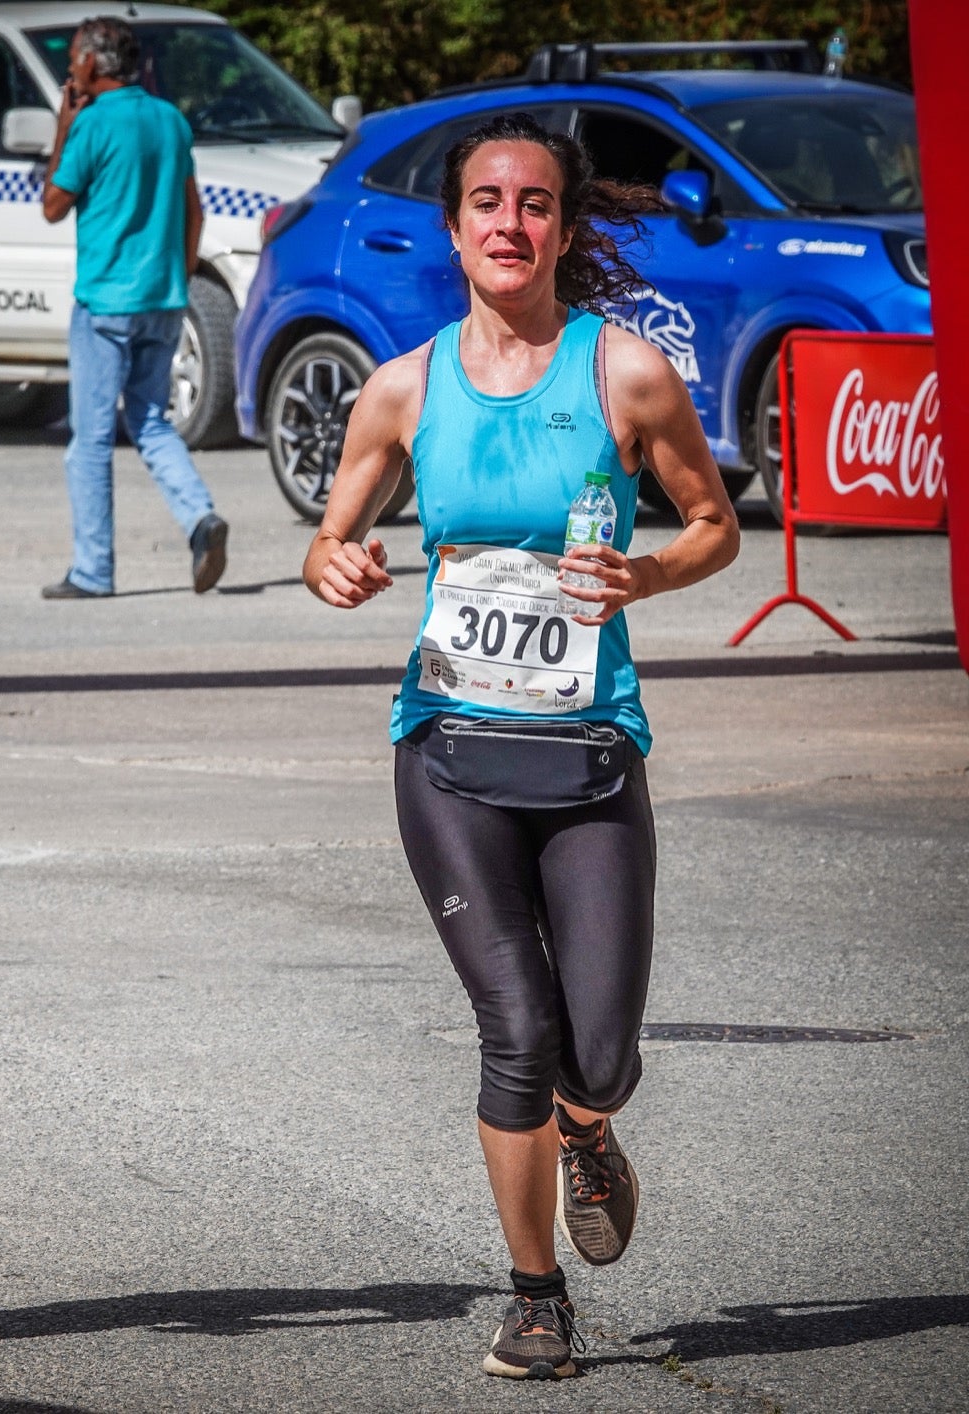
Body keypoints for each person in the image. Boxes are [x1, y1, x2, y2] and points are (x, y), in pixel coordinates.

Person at [303, 111, 739, 1381]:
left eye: (534, 203)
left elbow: (714, 524)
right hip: (447, 748)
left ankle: (587, 1129)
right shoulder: (403, 386)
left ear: (560, 227)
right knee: (514, 1027)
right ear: (454, 229)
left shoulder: (625, 375)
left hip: (588, 748)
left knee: (594, 1054)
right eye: (486, 202)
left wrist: (644, 575)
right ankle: (536, 1297)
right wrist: (337, 564)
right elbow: (327, 538)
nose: (509, 222)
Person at [39, 16, 228, 599]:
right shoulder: (170, 119)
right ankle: (201, 518)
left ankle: (93, 571)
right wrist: (182, 274)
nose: (70, 69)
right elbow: (194, 211)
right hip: (163, 299)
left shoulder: (92, 123)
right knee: (149, 421)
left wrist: (63, 127)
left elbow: (52, 205)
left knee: (91, 440)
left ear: (91, 64)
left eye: (73, 58)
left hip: (104, 303)